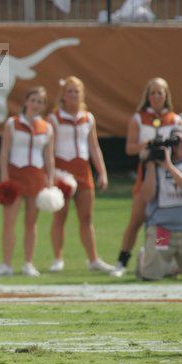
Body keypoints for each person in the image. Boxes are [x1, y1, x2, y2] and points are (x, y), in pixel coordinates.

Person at [111, 78, 182, 277]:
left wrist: (168, 148)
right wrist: (148, 145)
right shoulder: (139, 118)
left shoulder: (175, 119)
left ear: (166, 95)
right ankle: (122, 261)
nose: (156, 97)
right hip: (147, 173)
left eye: (160, 93)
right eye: (153, 93)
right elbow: (129, 148)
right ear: (147, 96)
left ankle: (161, 261)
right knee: (136, 219)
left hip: (168, 175)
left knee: (162, 221)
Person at [48, 76, 114, 273]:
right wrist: (51, 174)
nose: (73, 95)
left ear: (82, 94)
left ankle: (93, 259)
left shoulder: (88, 117)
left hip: (83, 170)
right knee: (60, 216)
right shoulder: (54, 117)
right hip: (62, 169)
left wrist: (102, 172)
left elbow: (94, 147)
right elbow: (49, 149)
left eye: (77, 91)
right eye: (70, 91)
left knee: (86, 217)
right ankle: (58, 259)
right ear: (63, 95)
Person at [0, 86, 55, 277]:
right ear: (26, 101)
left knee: (31, 223)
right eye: (33, 100)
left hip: (36, 176)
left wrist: (50, 179)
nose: (36, 104)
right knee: (9, 222)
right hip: (15, 174)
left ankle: (28, 263)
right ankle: (6, 264)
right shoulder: (12, 123)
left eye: (40, 102)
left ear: (43, 106)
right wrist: (4, 179)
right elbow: (4, 153)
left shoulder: (47, 127)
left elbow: (49, 157)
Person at [137, 126, 182, 280]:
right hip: (162, 229)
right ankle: (144, 256)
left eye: (181, 141)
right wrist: (149, 165)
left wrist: (169, 166)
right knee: (151, 276)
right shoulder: (156, 166)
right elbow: (147, 196)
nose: (178, 145)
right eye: (175, 142)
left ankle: (173, 265)